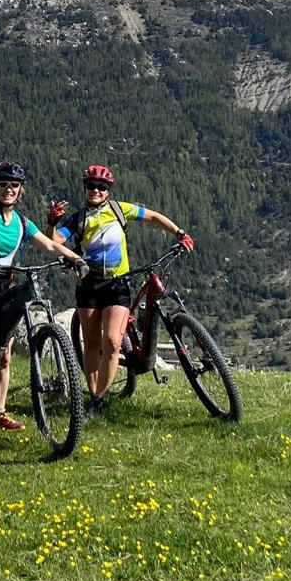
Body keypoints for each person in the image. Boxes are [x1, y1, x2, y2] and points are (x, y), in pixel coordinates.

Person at [0, 161, 86, 448]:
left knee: (4, 356)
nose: (8, 189)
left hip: (2, 292)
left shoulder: (23, 223)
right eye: (3, 184)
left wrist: (74, 259)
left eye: (14, 185)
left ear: (20, 190)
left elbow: (48, 245)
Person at [47, 164, 193, 411]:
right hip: (88, 286)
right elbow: (53, 242)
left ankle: (100, 397)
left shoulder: (119, 210)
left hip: (118, 284)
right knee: (92, 343)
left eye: (101, 187)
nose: (96, 190)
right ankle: (94, 397)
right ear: (85, 189)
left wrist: (180, 233)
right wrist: (52, 221)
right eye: (91, 186)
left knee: (113, 341)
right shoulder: (77, 218)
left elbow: (154, 216)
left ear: (108, 191)